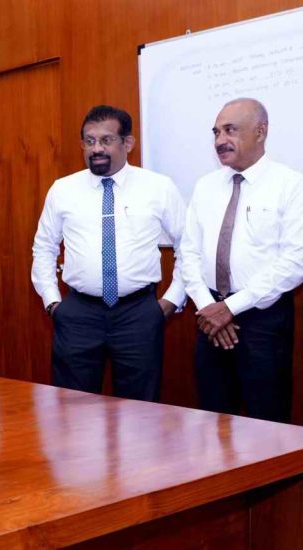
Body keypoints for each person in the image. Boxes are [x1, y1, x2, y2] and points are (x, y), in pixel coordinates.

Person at [31, 105, 186, 402]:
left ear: (128, 143)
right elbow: (44, 247)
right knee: (72, 409)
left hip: (138, 314)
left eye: (106, 140)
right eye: (89, 141)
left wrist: (170, 301)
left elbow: (187, 246)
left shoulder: (158, 187)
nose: (96, 149)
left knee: (140, 411)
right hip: (78, 314)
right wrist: (52, 302)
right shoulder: (63, 190)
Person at [181, 98, 303, 422]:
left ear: (260, 132)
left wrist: (231, 308)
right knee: (213, 422)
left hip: (263, 320)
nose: (220, 140)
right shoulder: (206, 186)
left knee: (267, 424)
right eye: (216, 132)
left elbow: (295, 261)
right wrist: (209, 308)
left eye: (230, 130)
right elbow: (188, 252)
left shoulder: (291, 185)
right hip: (209, 315)